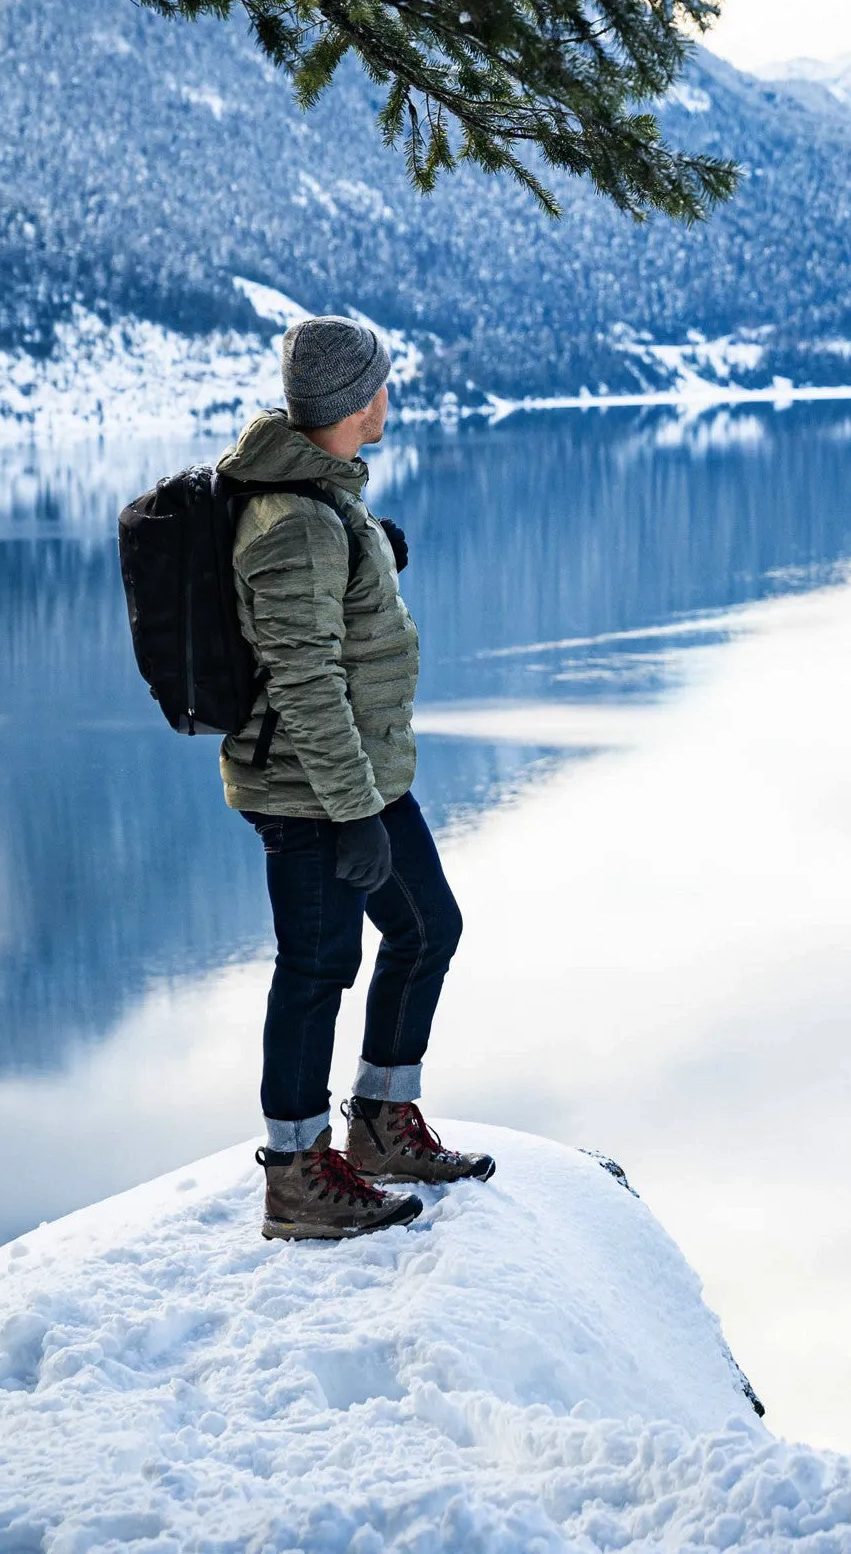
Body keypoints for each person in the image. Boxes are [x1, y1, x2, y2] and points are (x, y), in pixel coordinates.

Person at [217, 315, 493, 1241]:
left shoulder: (322, 501)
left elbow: (323, 619)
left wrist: (370, 555)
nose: (389, 394)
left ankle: (379, 1125)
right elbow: (303, 681)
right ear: (350, 401)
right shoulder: (293, 522)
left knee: (426, 929)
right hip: (314, 792)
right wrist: (354, 815)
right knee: (318, 967)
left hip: (359, 776)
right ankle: (295, 1175)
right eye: (379, 382)